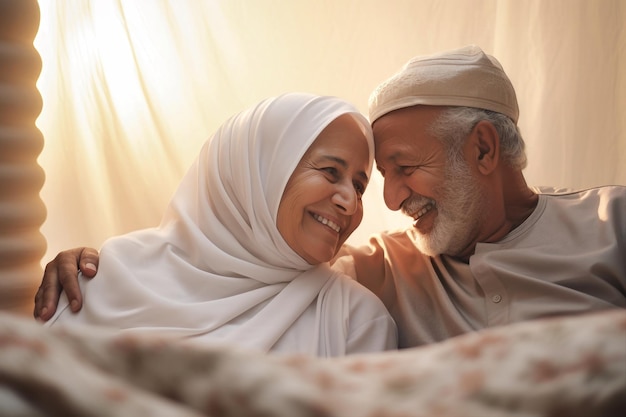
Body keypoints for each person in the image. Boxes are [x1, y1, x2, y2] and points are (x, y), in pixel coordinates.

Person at [35, 45, 626, 349]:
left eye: (401, 169)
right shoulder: (388, 268)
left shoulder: (613, 223)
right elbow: (247, 264)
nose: (388, 200)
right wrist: (101, 267)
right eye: (375, 179)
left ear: (483, 150)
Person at [39, 92, 398, 356]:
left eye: (359, 186)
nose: (350, 201)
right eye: (330, 171)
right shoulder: (106, 275)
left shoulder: (355, 320)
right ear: (256, 175)